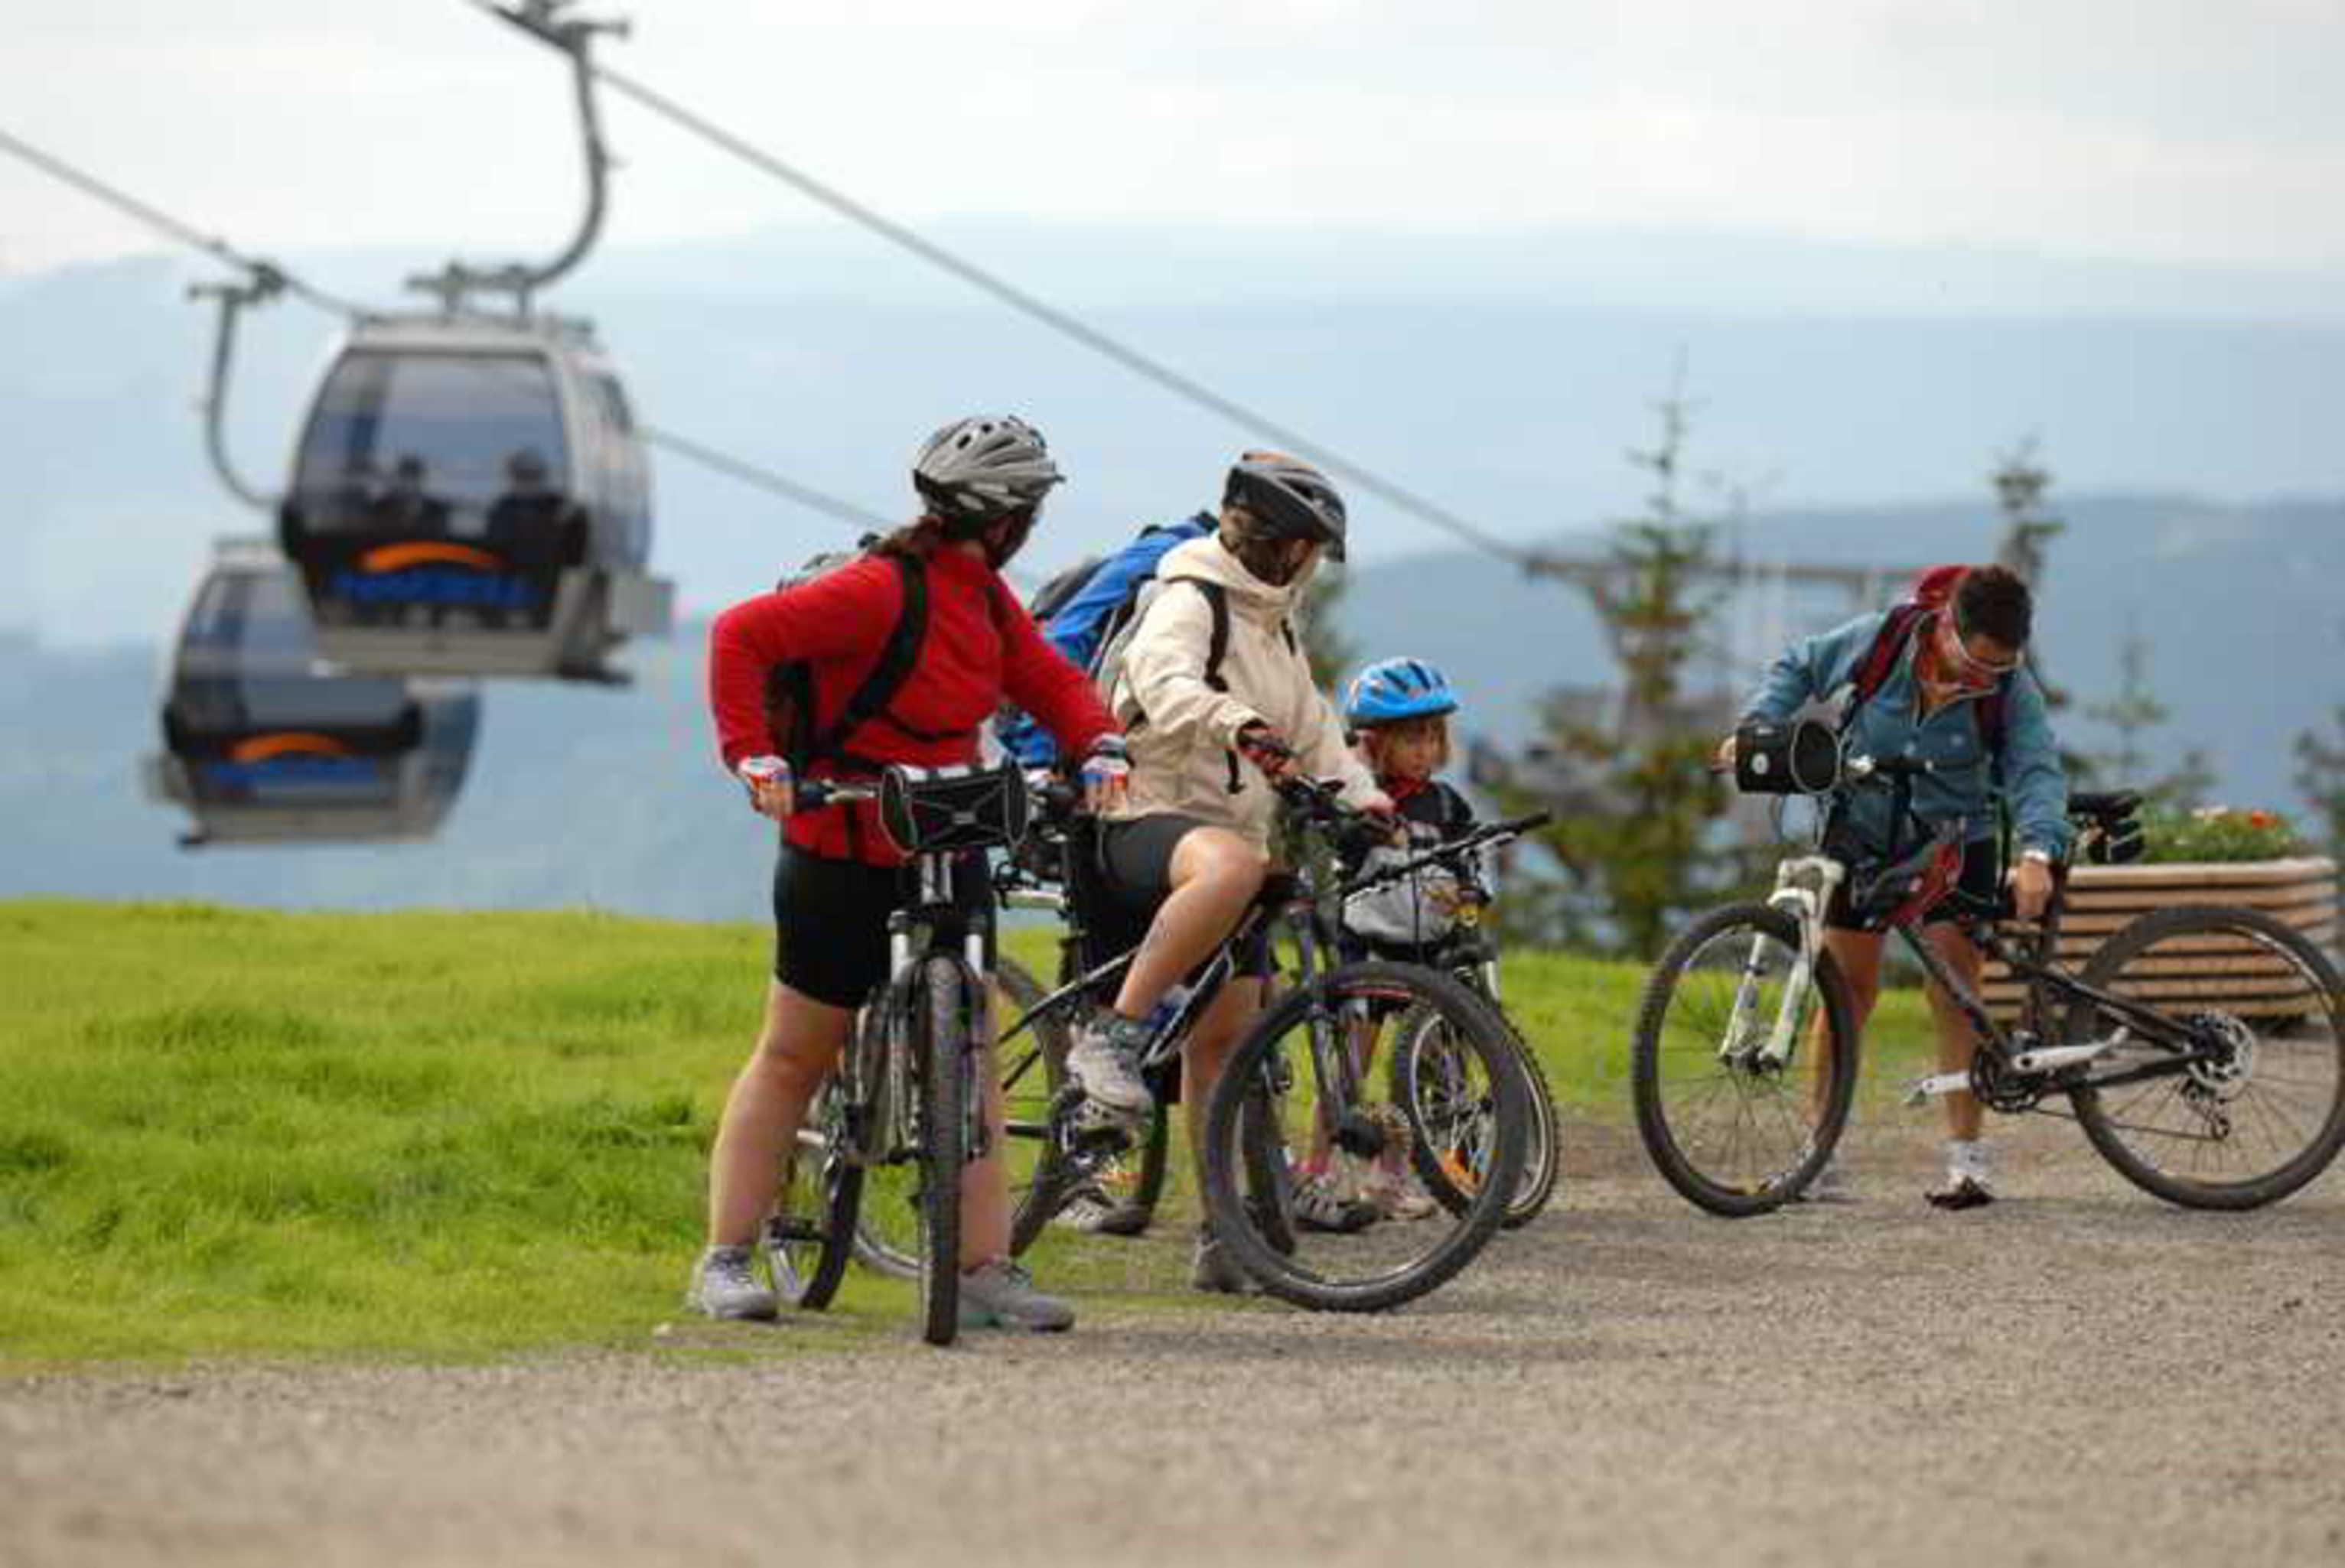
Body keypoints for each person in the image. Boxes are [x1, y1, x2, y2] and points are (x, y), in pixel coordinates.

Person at [693, 414, 1131, 1329]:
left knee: (967, 1058)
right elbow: (740, 634)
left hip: (947, 843)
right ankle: (725, 1259)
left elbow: (1046, 678)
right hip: (839, 850)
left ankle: (983, 1268)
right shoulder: (877, 590)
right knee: (791, 1055)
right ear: (1011, 517)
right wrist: (755, 758)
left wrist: (1095, 741)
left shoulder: (980, 596)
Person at [1061, 451, 1396, 1290]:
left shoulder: (1272, 622)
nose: (1313, 565)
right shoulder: (1190, 595)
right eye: (1309, 547)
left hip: (1224, 847)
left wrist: (1362, 796)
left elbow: (1313, 726)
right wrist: (1233, 722)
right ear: (1280, 542)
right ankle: (1115, 1038)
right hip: (1140, 819)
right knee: (1235, 868)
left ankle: (1219, 1234)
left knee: (1225, 1040)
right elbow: (1162, 683)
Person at [1725, 564, 2070, 1209]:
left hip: (1954, 839)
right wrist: (1757, 726)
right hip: (1861, 827)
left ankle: (1966, 1160)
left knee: (1955, 987)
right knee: (1846, 992)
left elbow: (2034, 768)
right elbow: (1798, 665)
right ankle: (1818, 1155)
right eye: (1977, 661)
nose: (1983, 676)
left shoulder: (2009, 688)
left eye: (1999, 666)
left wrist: (2034, 853)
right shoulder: (1882, 638)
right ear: (1947, 629)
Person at [1330, 656, 1484, 1219]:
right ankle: (1321, 1172)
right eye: (1410, 738)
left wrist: (1469, 896)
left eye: (1432, 737)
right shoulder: (1359, 799)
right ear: (1373, 742)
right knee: (1349, 1068)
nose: (1424, 749)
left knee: (1435, 1071)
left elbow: (1469, 862)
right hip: (1368, 951)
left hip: (1429, 955)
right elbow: (1339, 866)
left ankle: (1400, 1176)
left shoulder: (1444, 804)